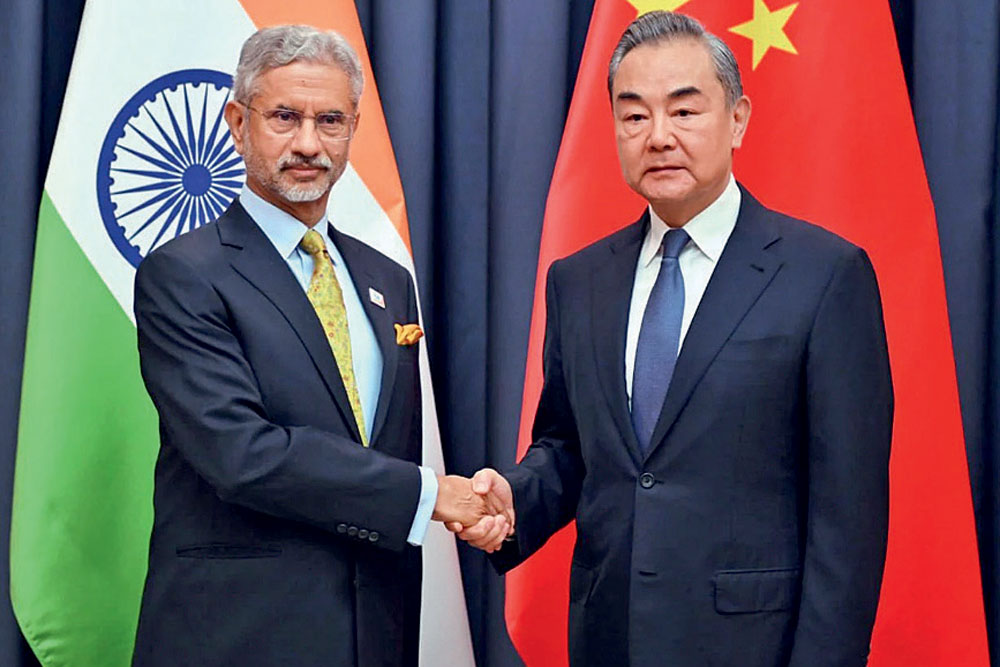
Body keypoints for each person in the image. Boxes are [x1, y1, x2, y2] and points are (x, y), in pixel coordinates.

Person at [454, 11, 892, 667]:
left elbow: (848, 519)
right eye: (634, 116)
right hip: (610, 638)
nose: (658, 136)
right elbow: (573, 449)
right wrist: (514, 501)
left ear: (737, 119)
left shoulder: (825, 276)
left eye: (684, 112)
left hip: (752, 647)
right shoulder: (579, 280)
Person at [131, 25, 502, 667]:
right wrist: (430, 495)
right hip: (238, 637)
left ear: (354, 128)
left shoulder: (388, 281)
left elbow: (375, 447)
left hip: (375, 632)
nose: (308, 143)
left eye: (330, 120)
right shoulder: (183, 274)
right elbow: (240, 454)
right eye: (284, 117)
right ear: (238, 122)